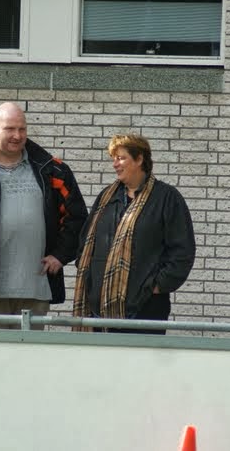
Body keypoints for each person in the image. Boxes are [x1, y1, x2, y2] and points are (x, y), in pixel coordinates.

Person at [0, 102, 87, 330]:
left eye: (22, 129)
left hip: (35, 289)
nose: (17, 135)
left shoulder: (52, 170)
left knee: (31, 353)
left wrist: (60, 255)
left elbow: (78, 218)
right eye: (10, 129)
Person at [72, 133, 195, 334]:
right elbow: (85, 241)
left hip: (145, 310)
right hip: (98, 312)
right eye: (114, 158)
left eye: (121, 158)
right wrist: (90, 278)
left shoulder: (166, 198)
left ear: (139, 159)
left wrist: (156, 286)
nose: (115, 164)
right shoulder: (106, 198)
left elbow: (183, 251)